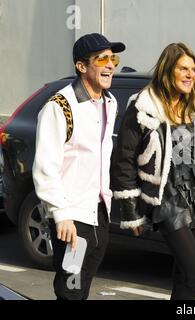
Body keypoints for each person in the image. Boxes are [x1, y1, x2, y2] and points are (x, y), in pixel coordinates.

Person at [111, 43, 195, 300]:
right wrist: (132, 211)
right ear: (168, 70)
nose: (190, 74)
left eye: (193, 69)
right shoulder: (143, 107)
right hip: (167, 199)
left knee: (183, 276)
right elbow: (124, 160)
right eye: (183, 68)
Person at [32, 33, 125, 300]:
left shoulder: (110, 102)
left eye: (113, 59)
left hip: (99, 213)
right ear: (81, 66)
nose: (110, 65)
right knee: (71, 287)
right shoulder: (60, 106)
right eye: (102, 59)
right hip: (72, 219)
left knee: (82, 286)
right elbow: (45, 165)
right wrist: (60, 214)